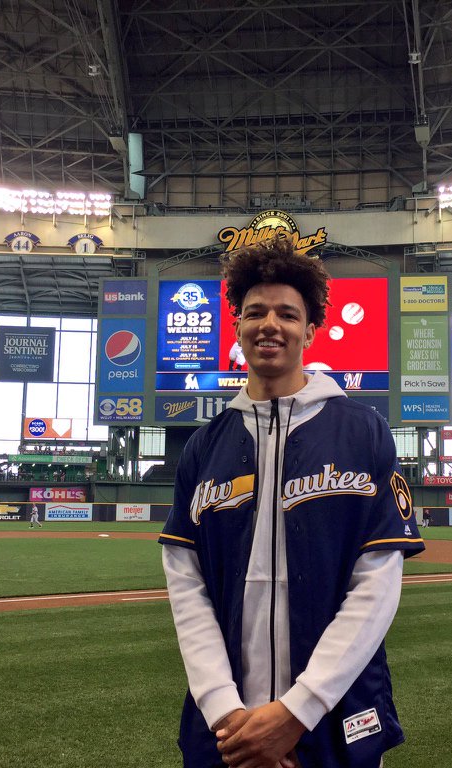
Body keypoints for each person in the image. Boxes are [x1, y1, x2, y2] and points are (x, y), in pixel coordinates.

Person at [159, 235, 425, 768]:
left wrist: (296, 713)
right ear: (237, 326)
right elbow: (187, 585)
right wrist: (227, 714)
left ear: (310, 329)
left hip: (336, 714)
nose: (270, 324)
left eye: (287, 313)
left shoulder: (363, 431)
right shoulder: (206, 445)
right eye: (255, 312)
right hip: (227, 730)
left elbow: (377, 584)